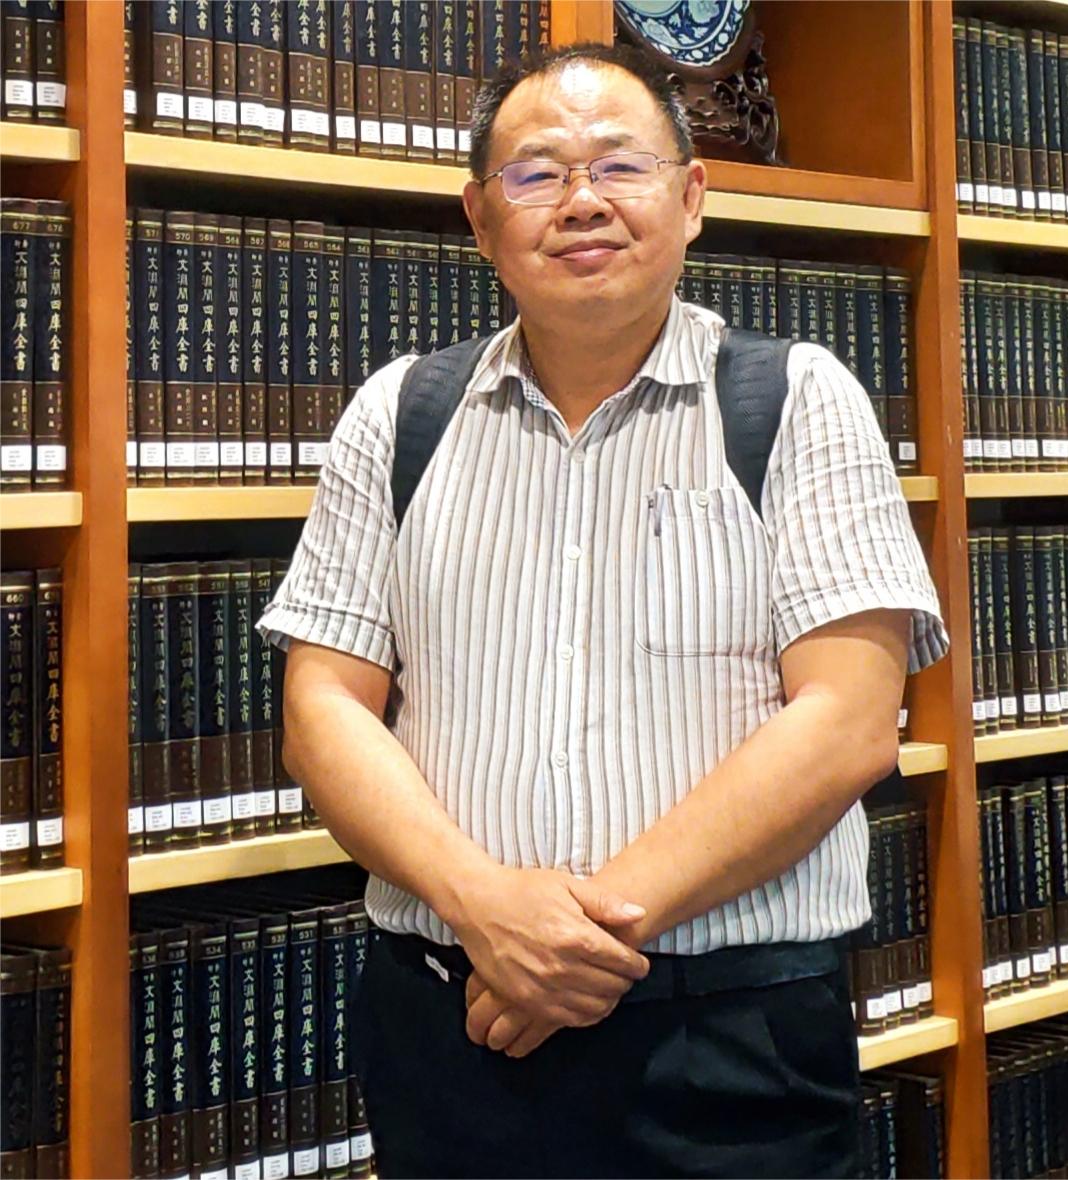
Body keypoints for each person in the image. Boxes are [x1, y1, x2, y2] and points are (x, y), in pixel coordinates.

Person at [257, 41, 948, 1179]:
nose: (582, 201)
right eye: (536, 173)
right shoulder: (398, 416)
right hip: (450, 1022)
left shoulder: (795, 400)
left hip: (728, 1040)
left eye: (621, 166)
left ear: (692, 197)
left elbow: (849, 720)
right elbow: (323, 705)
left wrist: (567, 945)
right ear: (481, 220)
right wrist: (487, 910)